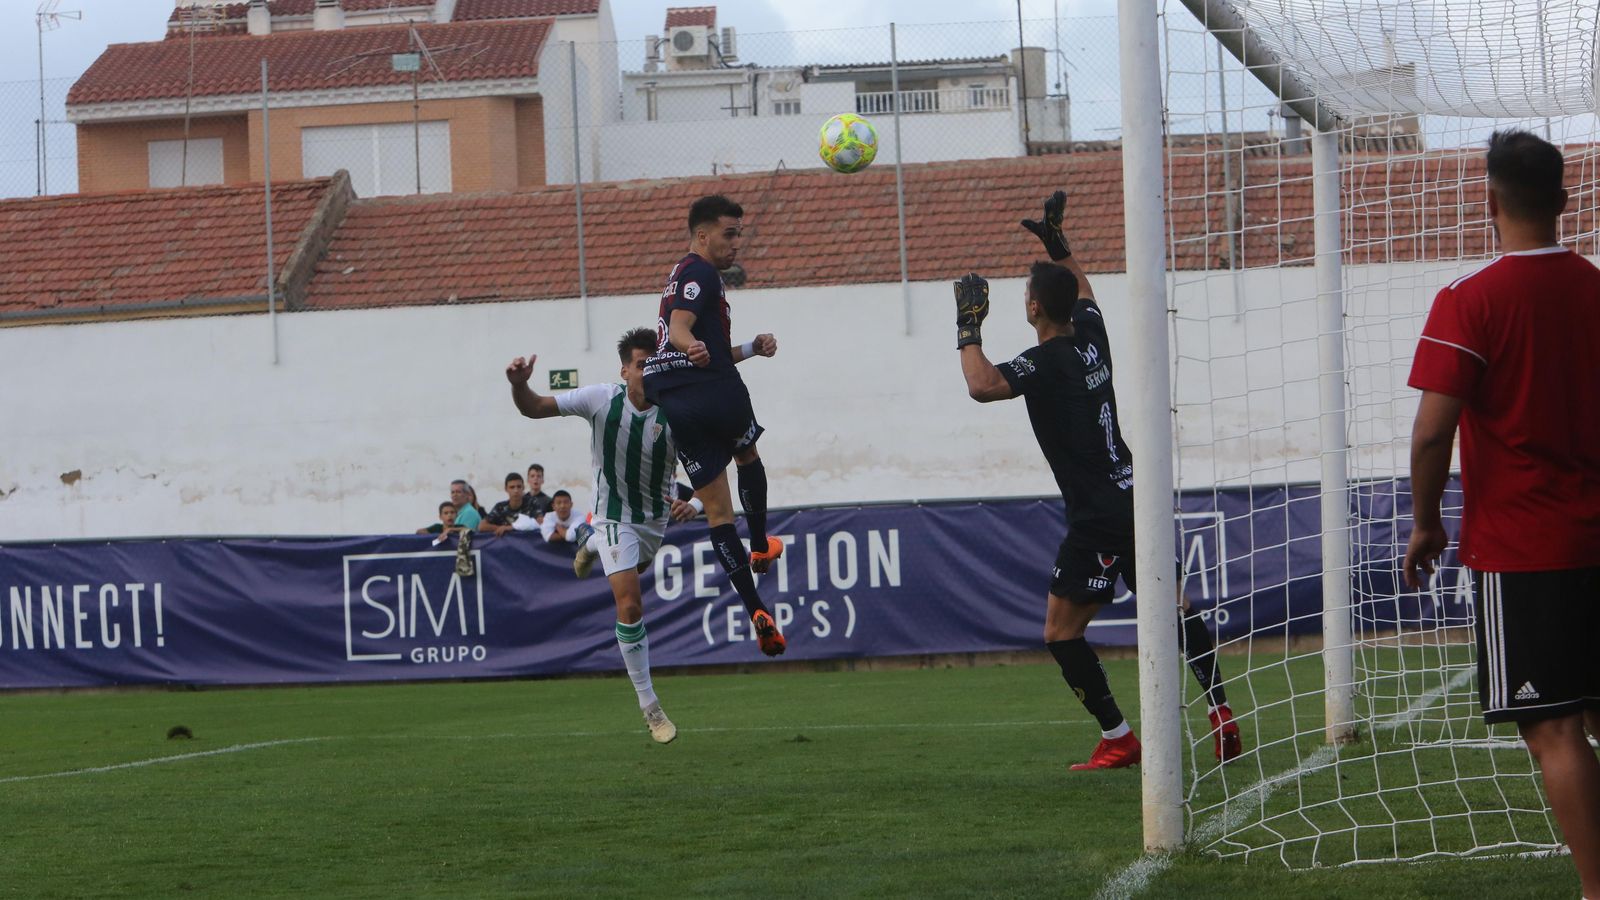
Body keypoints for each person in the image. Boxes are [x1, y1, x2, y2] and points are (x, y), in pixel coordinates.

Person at [954, 190, 1242, 770]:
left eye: (1027, 297)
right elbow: (1083, 290)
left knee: (1061, 634)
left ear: (1034, 308)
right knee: (1175, 606)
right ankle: (1221, 709)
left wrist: (967, 323)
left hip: (1097, 516)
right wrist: (1058, 243)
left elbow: (981, 385)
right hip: (1137, 496)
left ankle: (1119, 736)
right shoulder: (1091, 339)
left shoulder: (1048, 360)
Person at [1402, 130, 1600, 899]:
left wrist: (1426, 522)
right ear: (1563, 201)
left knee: (1554, 728)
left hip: (1527, 549)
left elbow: (1430, 431)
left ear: (1489, 202)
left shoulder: (1469, 302)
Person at [505, 328, 698, 743]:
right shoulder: (600, 399)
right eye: (641, 365)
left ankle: (589, 541)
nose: (648, 372)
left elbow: (712, 469)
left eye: (654, 364)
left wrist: (694, 504)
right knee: (629, 606)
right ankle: (651, 707)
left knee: (636, 568)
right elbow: (535, 407)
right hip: (613, 515)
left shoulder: (678, 410)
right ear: (624, 369)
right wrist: (520, 385)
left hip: (653, 520)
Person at [641, 194, 786, 657]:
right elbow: (682, 329)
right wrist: (690, 347)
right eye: (729, 233)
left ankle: (756, 608)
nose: (736, 243)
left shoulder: (679, 276)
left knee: (719, 516)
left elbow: (697, 339)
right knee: (748, 454)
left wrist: (750, 347)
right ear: (702, 235)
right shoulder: (699, 270)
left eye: (738, 233)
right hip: (712, 389)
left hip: (677, 402)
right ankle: (761, 545)